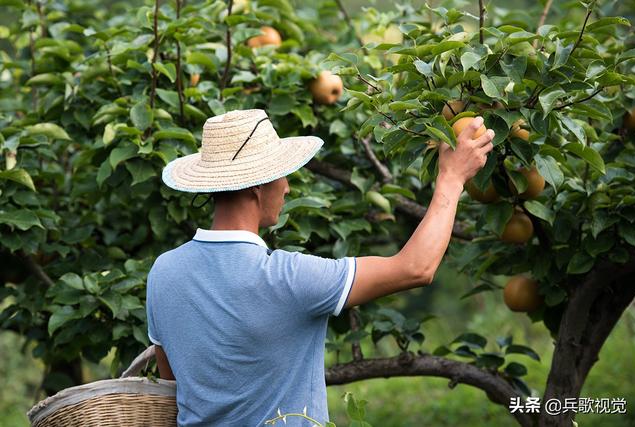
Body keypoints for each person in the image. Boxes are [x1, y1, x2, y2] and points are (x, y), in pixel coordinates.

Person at [146, 109, 494, 426]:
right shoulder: (289, 279)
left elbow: (176, 386)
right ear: (256, 187)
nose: (287, 186)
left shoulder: (163, 273)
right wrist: (451, 178)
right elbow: (416, 268)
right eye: (282, 174)